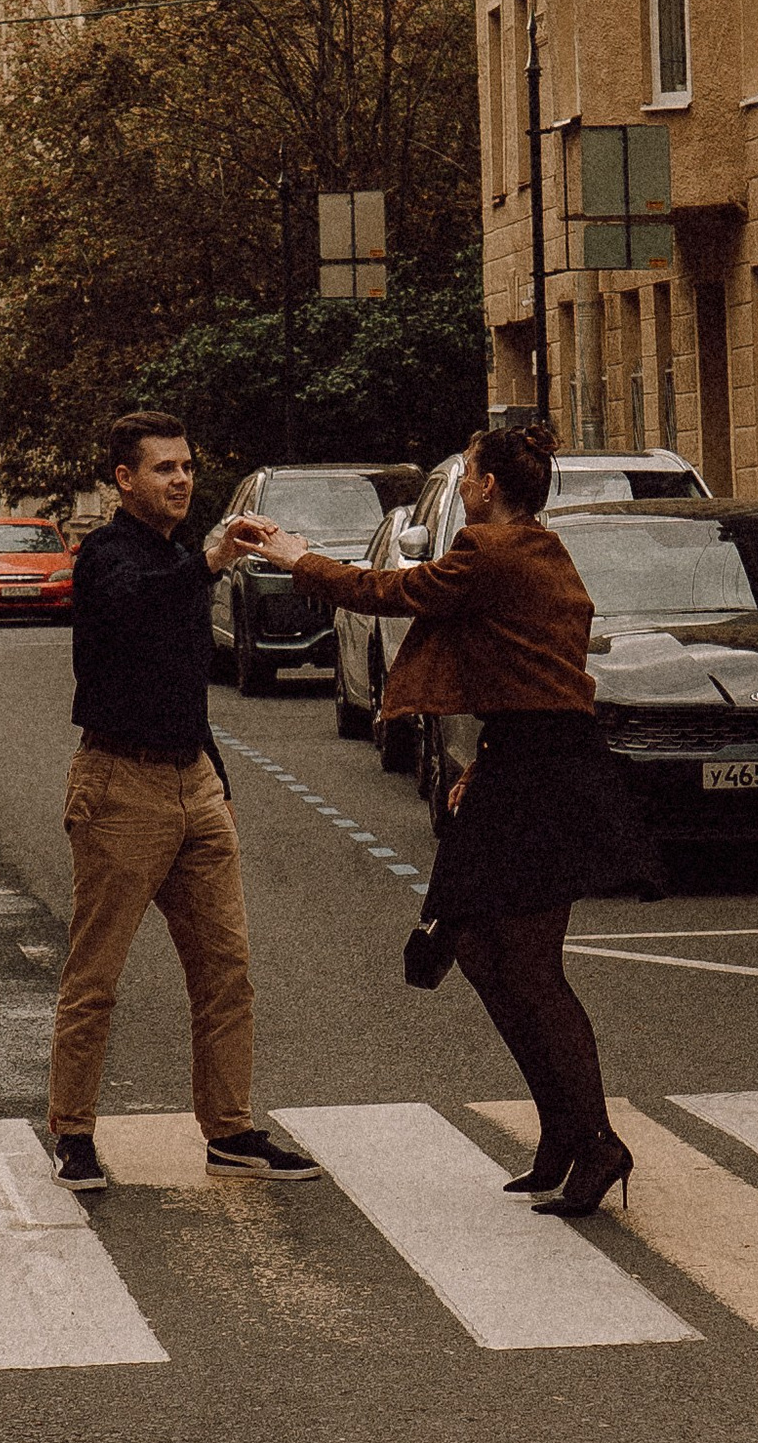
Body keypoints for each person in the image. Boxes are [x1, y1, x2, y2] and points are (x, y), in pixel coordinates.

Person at [248, 415, 650, 1220]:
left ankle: (598, 1142)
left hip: (546, 773)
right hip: (527, 761)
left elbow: (387, 592)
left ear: (488, 486)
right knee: (476, 945)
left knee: (529, 966)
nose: (462, 487)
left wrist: (298, 558)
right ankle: (563, 1132)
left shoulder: (489, 552)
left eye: (466, 476)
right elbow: (528, 671)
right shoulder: (534, 548)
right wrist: (486, 765)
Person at [46, 409, 320, 1192]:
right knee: (96, 975)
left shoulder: (177, 561)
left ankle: (230, 1129)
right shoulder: (106, 557)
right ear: (124, 480)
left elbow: (185, 690)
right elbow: (137, 604)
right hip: (119, 783)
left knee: (226, 969)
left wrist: (217, 784)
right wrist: (207, 560)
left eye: (188, 466)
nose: (181, 480)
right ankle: (73, 1133)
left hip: (191, 778)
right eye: (163, 468)